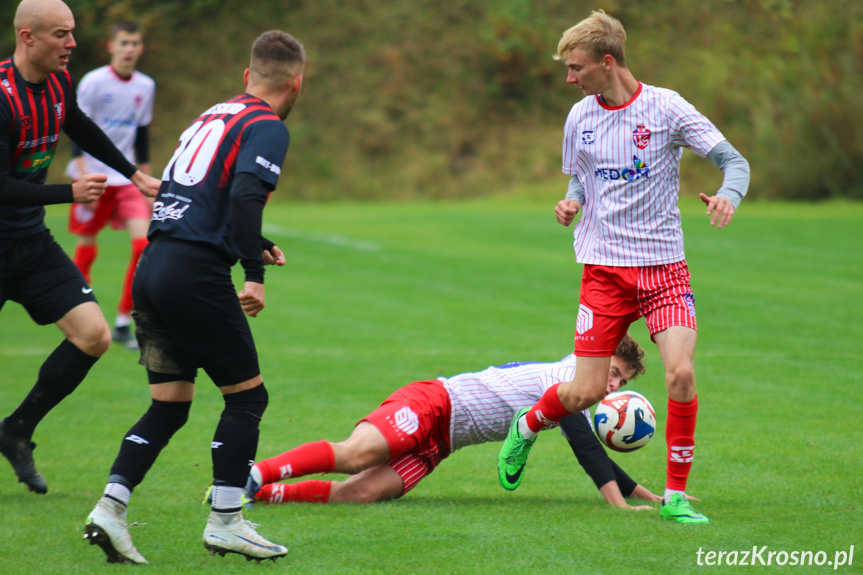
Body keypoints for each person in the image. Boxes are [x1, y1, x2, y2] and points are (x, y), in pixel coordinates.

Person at [497, 10, 750, 525]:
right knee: (584, 393)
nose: (571, 79)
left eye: (577, 68)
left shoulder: (666, 108)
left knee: (680, 373)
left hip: (663, 270)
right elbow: (580, 179)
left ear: (606, 62)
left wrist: (728, 195)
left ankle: (676, 497)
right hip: (604, 273)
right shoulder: (580, 117)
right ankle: (527, 425)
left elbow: (735, 162)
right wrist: (570, 202)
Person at [83, 30, 305, 565]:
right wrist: (253, 271)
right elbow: (246, 196)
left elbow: (202, 199)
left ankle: (110, 511)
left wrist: (259, 241)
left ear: (247, 77)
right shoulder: (267, 126)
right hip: (194, 275)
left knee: (170, 404)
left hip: (154, 267)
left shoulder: (215, 113)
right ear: (297, 83)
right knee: (247, 398)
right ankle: (226, 521)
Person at [0, 0, 161, 495]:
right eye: (61, 35)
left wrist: (132, 172)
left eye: (71, 34)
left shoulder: (56, 83)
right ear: (28, 37)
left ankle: (16, 431)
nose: (72, 44)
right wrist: (65, 193)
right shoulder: (1, 97)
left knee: (93, 334)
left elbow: (80, 126)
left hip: (29, 242)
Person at [237, 335, 663, 511]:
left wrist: (655, 497)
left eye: (621, 382)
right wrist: (620, 508)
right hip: (434, 404)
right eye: (613, 373)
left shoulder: (581, 396)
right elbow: (587, 450)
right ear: (597, 355)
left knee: (361, 494)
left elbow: (598, 455)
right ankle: (253, 473)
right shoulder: (567, 377)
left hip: (442, 444)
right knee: (355, 455)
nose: (613, 386)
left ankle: (263, 494)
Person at [65, 20, 156, 351]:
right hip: (93, 176)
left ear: (141, 48)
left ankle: (122, 321)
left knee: (143, 246)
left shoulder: (146, 86)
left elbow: (142, 135)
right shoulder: (93, 82)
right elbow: (75, 126)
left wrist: (145, 180)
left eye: (135, 43)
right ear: (111, 46)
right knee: (87, 246)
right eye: (124, 43)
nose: (129, 49)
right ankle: (77, 314)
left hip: (128, 178)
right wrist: (80, 173)